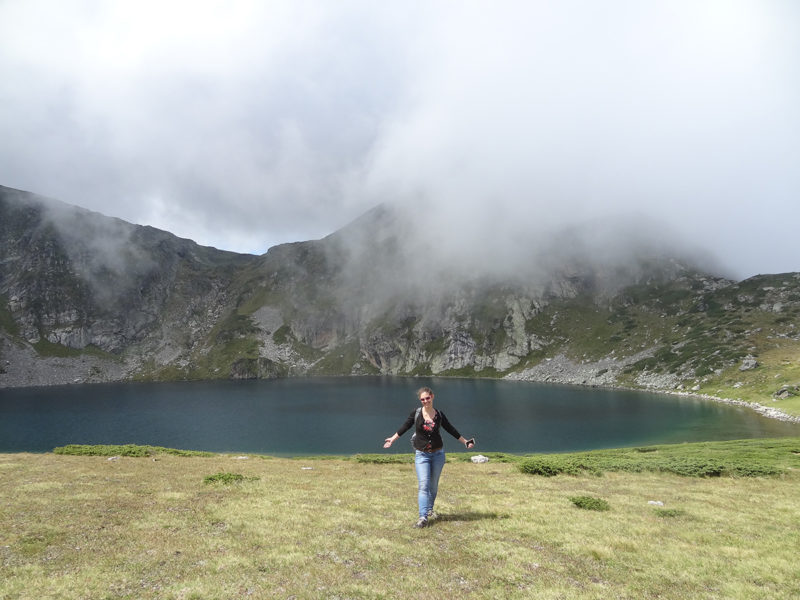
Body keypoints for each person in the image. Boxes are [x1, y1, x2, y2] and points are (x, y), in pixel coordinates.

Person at [383, 386, 475, 528]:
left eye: (427, 398)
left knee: (433, 485)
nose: (425, 401)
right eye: (422, 399)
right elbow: (405, 426)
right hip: (422, 455)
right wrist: (392, 439)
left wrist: (465, 441)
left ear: (432, 396)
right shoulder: (416, 413)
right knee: (424, 485)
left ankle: (429, 509)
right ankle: (423, 517)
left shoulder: (439, 414)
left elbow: (450, 429)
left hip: (438, 454)